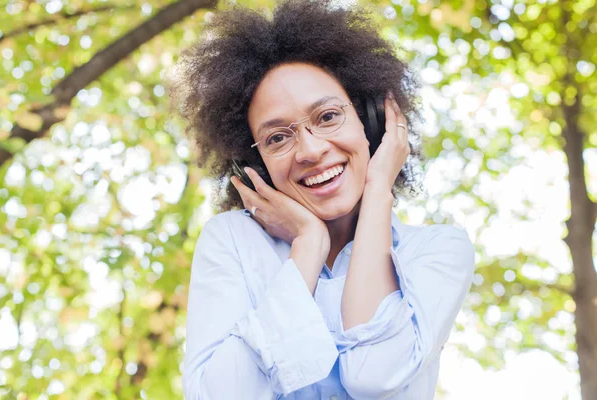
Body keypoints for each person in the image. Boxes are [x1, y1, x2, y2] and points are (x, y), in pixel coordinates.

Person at [171, 1, 475, 399]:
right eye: (277, 137)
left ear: (369, 120)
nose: (310, 150)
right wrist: (308, 245)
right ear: (256, 163)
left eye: (328, 116)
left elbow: (371, 374)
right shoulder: (232, 243)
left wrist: (378, 187)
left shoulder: (438, 252)